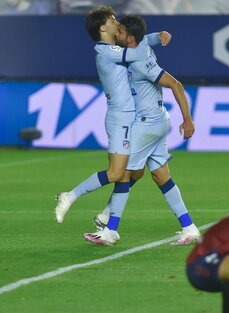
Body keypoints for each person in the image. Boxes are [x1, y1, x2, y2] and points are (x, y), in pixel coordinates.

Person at [54, 6, 170, 242]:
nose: (117, 22)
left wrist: (157, 37)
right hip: (121, 118)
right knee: (118, 172)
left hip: (130, 117)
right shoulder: (106, 52)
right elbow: (136, 51)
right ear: (103, 27)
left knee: (134, 172)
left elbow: (134, 43)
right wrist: (152, 38)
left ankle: (109, 219)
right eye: (113, 19)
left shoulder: (112, 48)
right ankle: (70, 196)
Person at [85, 15, 200, 246]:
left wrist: (188, 120)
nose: (116, 34)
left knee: (124, 173)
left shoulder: (141, 63)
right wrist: (159, 36)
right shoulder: (135, 47)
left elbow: (175, 84)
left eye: (120, 32)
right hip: (155, 121)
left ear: (129, 38)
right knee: (161, 176)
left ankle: (110, 230)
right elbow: (146, 39)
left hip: (147, 123)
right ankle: (189, 227)